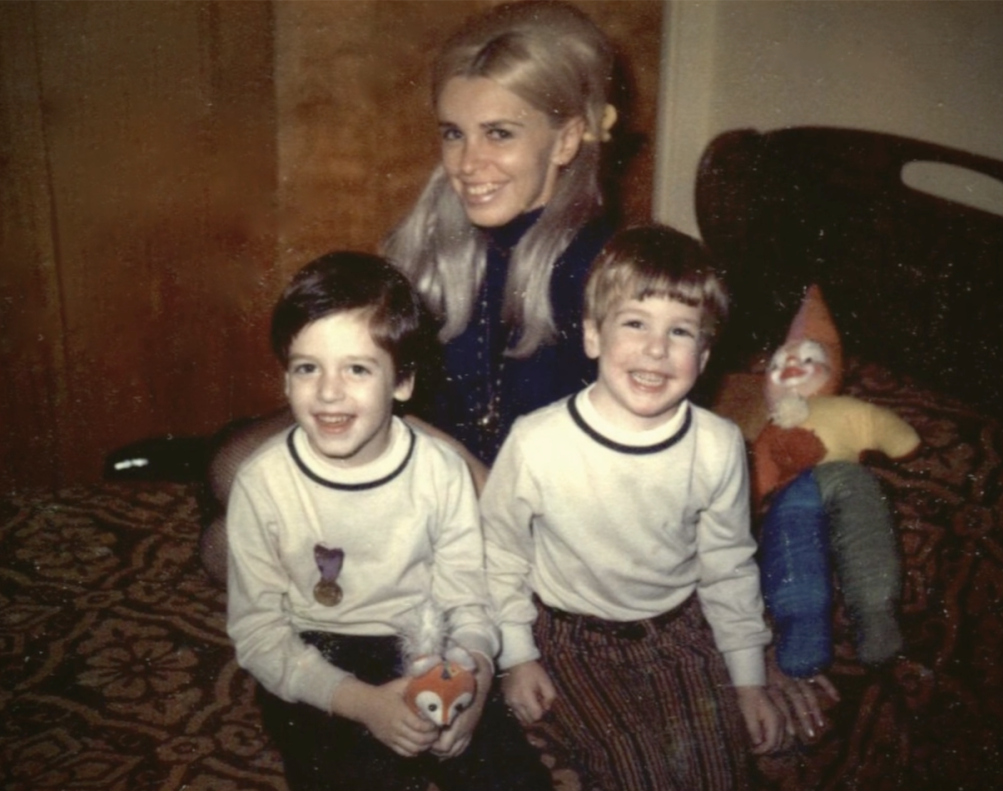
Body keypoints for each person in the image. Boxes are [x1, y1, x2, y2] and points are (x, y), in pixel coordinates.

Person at [199, 0, 619, 584]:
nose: (468, 164)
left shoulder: (605, 271)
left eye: (499, 134)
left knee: (228, 544)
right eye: (453, 133)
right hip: (425, 454)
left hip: (510, 517)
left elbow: (579, 492)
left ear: (567, 139)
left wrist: (414, 444)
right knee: (231, 466)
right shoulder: (442, 234)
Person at [226, 251, 554, 791]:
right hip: (319, 652)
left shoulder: (441, 470)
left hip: (427, 642)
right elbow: (260, 633)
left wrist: (472, 681)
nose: (328, 392)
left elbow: (468, 600)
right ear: (286, 379)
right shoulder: (261, 483)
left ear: (402, 382)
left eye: (357, 368)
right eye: (308, 368)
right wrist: (363, 704)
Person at [480, 225, 785, 790]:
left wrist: (749, 681)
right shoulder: (537, 441)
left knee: (718, 772)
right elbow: (499, 552)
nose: (656, 349)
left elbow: (728, 564)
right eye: (635, 323)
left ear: (704, 355)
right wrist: (517, 656)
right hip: (572, 635)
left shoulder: (719, 445)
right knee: (637, 770)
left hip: (679, 628)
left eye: (680, 331)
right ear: (593, 335)